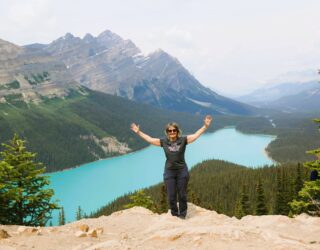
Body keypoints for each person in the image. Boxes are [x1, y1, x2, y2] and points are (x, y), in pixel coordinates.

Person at [130, 115, 213, 219]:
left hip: (182, 171)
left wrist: (205, 126)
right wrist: (138, 132)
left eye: (174, 130)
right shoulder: (164, 142)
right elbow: (150, 139)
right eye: (170, 131)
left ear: (177, 131)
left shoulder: (183, 140)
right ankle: (174, 215)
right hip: (169, 172)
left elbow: (196, 135)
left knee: (182, 194)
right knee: (171, 196)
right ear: (167, 132)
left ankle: (182, 215)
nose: (172, 132)